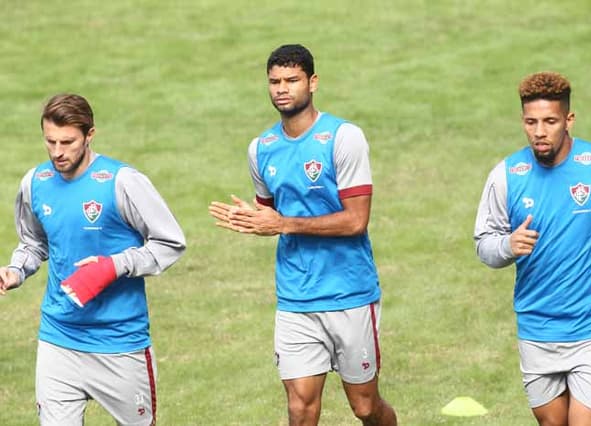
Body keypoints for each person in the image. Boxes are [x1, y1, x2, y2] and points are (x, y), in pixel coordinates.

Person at [209, 44, 397, 426]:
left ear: (312, 83)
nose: (282, 89)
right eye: (274, 81)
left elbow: (356, 220)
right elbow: (270, 215)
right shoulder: (261, 149)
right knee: (300, 407)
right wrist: (253, 220)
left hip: (349, 293)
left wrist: (282, 223)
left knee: (365, 407)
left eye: (292, 80)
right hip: (296, 297)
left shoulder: (344, 138)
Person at [0, 93, 186, 425]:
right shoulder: (35, 183)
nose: (57, 152)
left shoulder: (123, 182)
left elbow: (169, 242)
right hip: (59, 337)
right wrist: (16, 270)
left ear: (90, 135)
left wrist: (115, 265)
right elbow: (33, 242)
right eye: (50, 141)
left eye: (68, 142)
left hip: (120, 342)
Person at [474, 71, 591, 425]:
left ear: (569, 119)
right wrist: (508, 245)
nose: (539, 132)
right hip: (537, 329)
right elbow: (484, 244)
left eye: (550, 121)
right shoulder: (506, 175)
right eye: (531, 122)